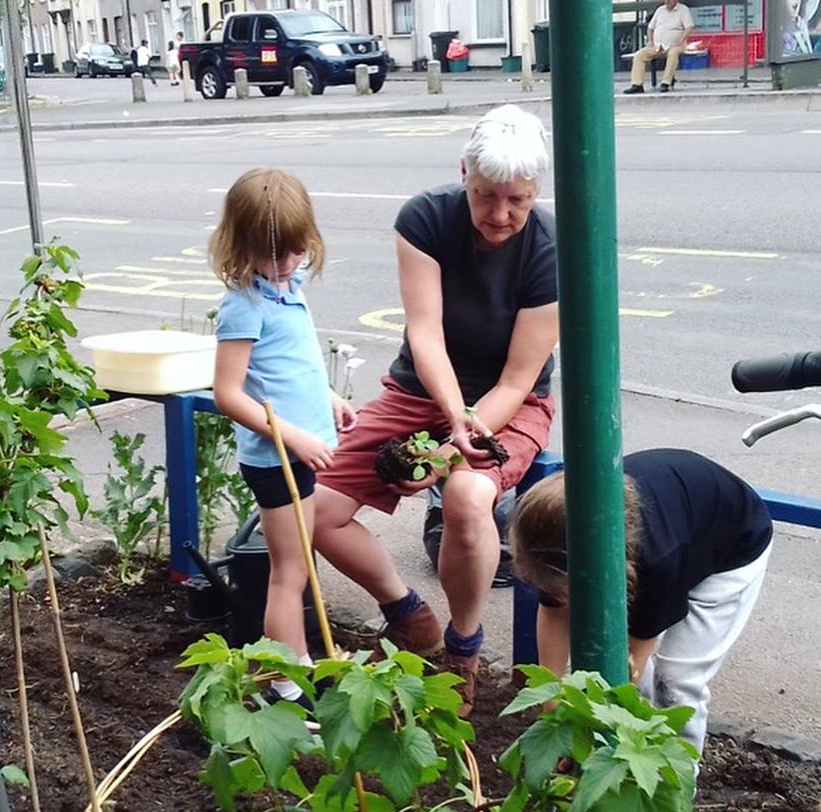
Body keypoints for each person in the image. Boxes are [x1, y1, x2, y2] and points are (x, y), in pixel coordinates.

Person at [314, 105, 559, 717]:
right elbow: (425, 334)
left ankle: (464, 646)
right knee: (314, 510)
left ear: (536, 193)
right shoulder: (424, 219)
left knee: (467, 498)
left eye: (518, 201)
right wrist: (452, 421)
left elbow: (517, 377)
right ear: (463, 176)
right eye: (485, 196)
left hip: (512, 401)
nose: (500, 215)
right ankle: (407, 615)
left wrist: (454, 449)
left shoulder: (554, 250)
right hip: (421, 387)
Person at [509, 449, 773, 754]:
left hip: (733, 548)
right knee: (635, 676)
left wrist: (596, 739)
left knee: (675, 680)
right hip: (680, 518)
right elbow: (554, 613)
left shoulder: (657, 560)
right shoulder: (551, 533)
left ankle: (676, 776)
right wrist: (552, 709)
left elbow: (630, 666)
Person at [210, 168, 356, 705]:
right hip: (278, 461)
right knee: (289, 572)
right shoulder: (243, 307)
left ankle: (291, 665)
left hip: (300, 450)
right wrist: (293, 435)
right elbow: (230, 392)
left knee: (298, 566)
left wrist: (330, 401)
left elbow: (289, 369)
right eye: (274, 256)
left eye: (296, 252)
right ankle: (285, 681)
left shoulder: (285, 290)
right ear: (241, 245)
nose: (287, 265)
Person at [623, 0, 694, 94]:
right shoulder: (660, 10)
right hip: (657, 45)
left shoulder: (683, 10)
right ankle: (637, 85)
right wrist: (650, 41)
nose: (667, 1)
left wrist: (680, 40)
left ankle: (666, 82)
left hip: (676, 45)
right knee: (639, 55)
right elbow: (650, 28)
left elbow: (689, 27)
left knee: (673, 53)